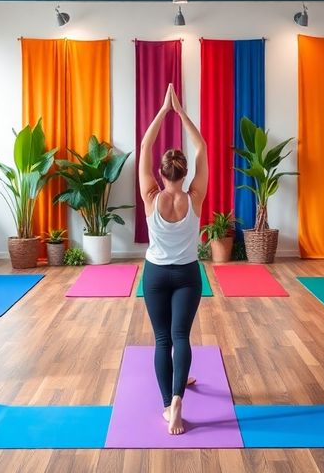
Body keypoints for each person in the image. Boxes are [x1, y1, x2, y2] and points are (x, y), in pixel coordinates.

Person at [138, 83, 208, 435]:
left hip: (155, 276)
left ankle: (168, 404)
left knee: (162, 339)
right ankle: (181, 394)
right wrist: (181, 112)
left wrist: (163, 111)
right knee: (181, 336)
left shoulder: (151, 196)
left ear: (163, 174)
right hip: (187, 276)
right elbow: (202, 147)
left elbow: (145, 145)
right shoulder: (194, 196)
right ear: (183, 174)